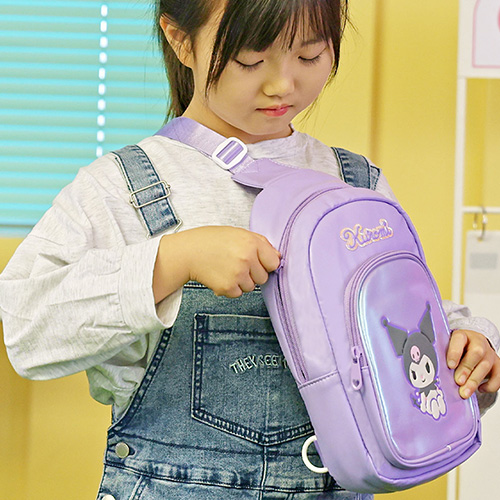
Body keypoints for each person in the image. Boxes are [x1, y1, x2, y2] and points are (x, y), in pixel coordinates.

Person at [1, 0, 499, 499]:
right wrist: (173, 260)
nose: (282, 84)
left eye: (309, 56)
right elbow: (27, 328)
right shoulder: (123, 187)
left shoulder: (355, 183)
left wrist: (467, 346)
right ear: (180, 40)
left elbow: (400, 322)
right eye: (250, 61)